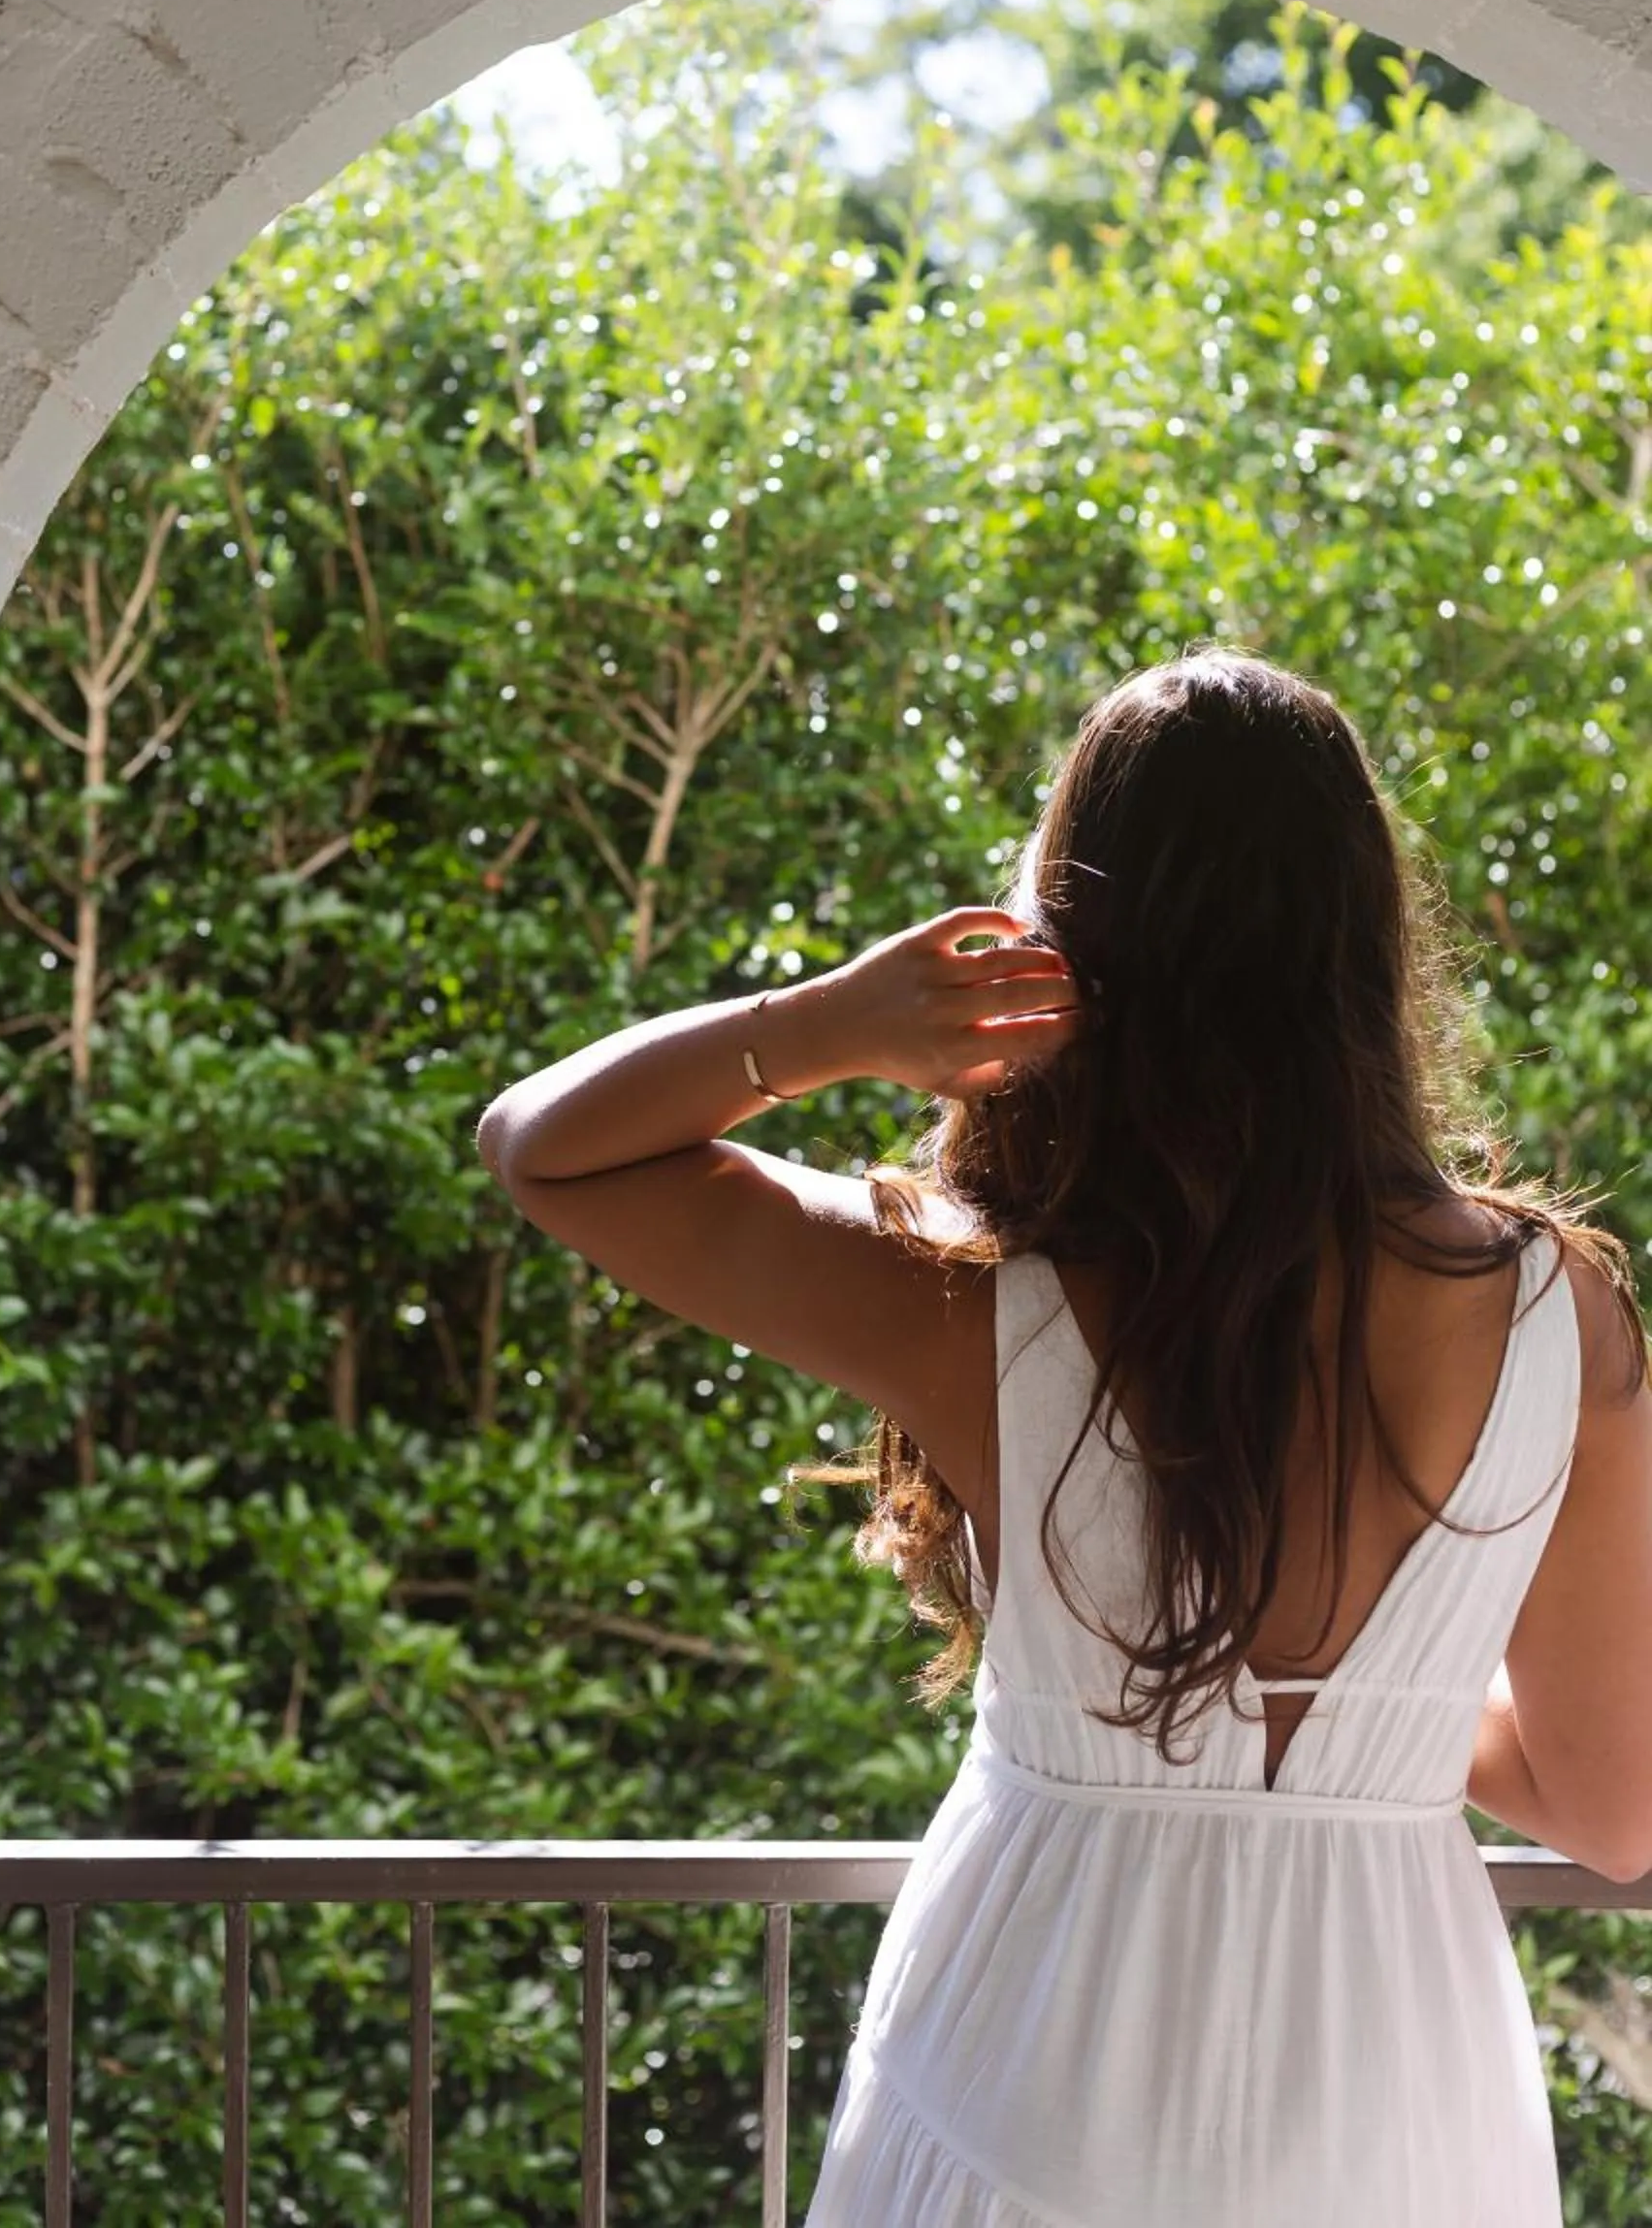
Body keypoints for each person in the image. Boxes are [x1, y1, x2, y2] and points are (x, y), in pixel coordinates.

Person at [475, 646, 1652, 2227]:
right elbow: (1614, 1810)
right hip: (1399, 2085)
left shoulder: (969, 1294)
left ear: (1073, 939)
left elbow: (546, 1148)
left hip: (1032, 2044)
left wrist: (826, 1024)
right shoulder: (1553, 1313)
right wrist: (1386, 1709)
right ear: (1368, 942)